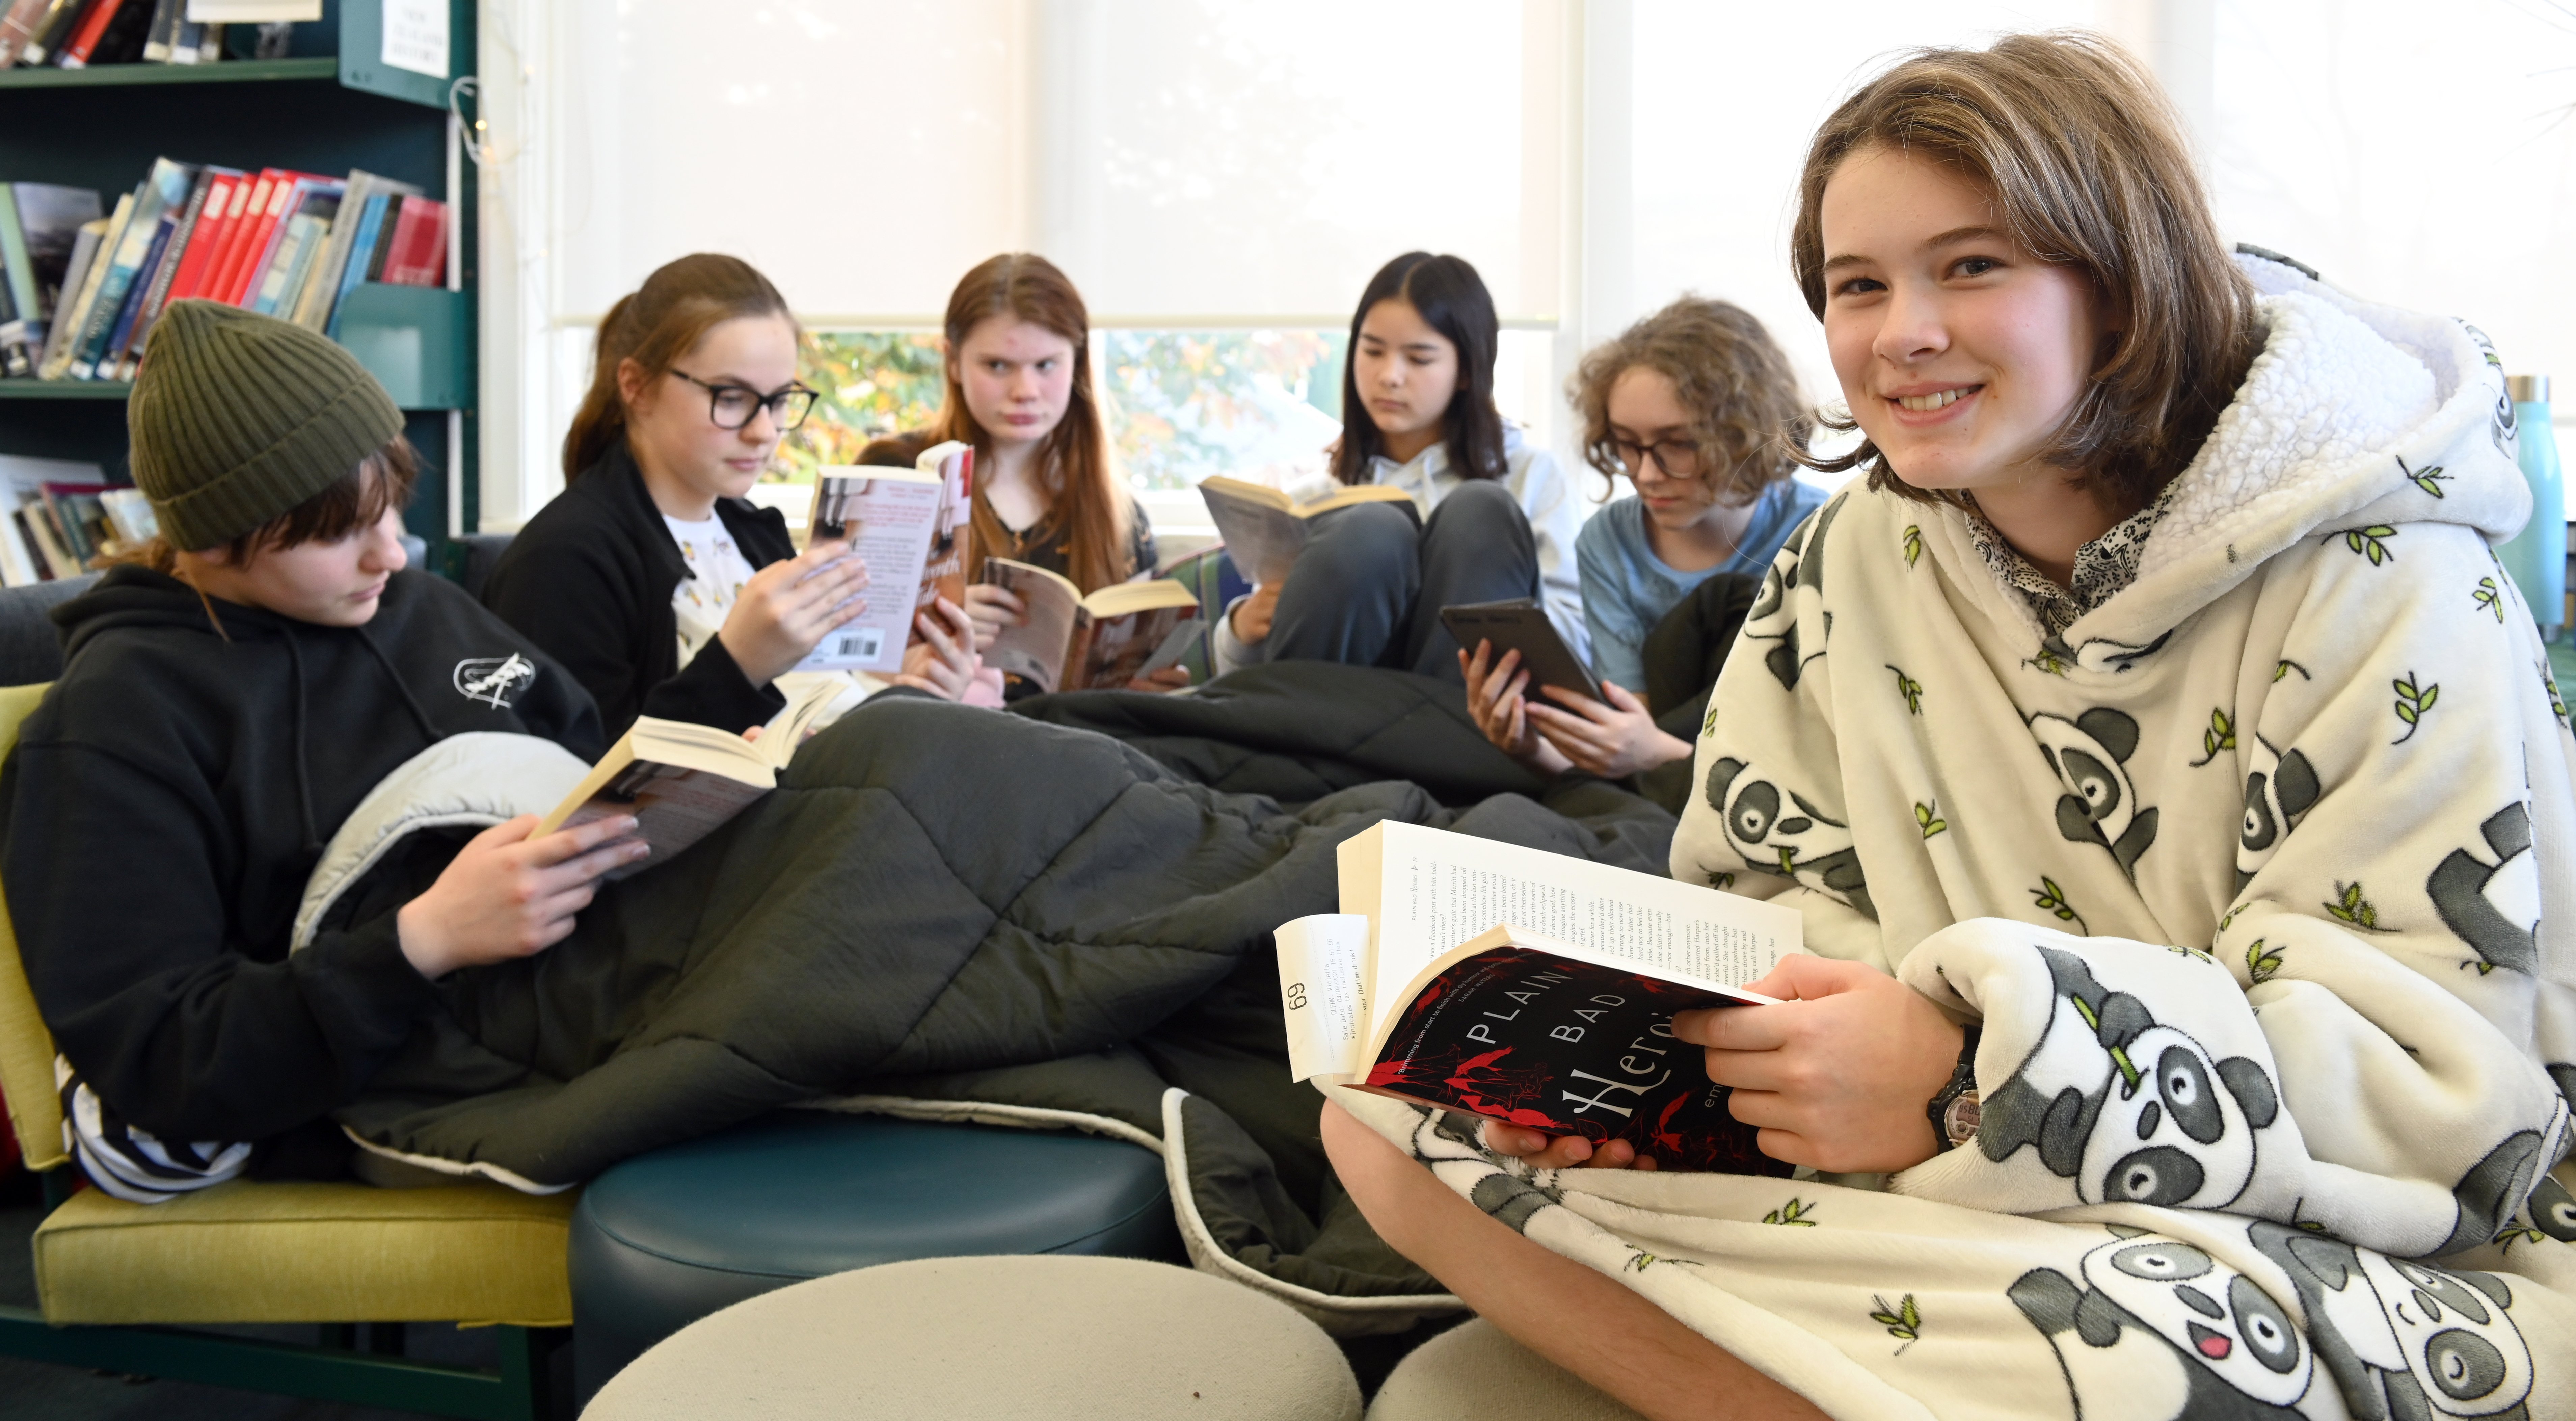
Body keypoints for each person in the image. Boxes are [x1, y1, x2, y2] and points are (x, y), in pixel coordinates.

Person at [1325, 32, 2576, 1421]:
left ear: (2122, 279)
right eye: (1858, 284)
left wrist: (1972, 1074)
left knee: (2129, 1351)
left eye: (1971, 265)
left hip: (2302, 1223)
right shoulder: (1849, 562)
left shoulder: (2393, 586)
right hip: (1903, 1187)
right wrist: (1669, 1085)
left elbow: (2428, 1086)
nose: (1899, 330)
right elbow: (1755, 900)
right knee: (1381, 1125)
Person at [0, 302, 639, 1195]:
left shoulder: (423, 609)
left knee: (876, 761)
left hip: (592, 973)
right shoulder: (118, 719)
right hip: (405, 1075)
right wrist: (428, 937)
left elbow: (591, 763)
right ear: (213, 537)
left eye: (393, 511)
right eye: (344, 531)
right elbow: (167, 1054)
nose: (395, 554)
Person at [482, 253, 978, 739]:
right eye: (733, 398)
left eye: (781, 399)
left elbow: (814, 709)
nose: (764, 431)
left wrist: (910, 687)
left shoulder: (753, 533)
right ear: (636, 386)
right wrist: (739, 663)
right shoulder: (565, 559)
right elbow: (587, 792)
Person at [1463, 297, 1825, 782]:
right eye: (1627, 444)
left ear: (1741, 434)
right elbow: (1630, 746)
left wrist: (1656, 754)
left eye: (1678, 444)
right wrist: (1529, 747)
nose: (1646, 474)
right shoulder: (1609, 543)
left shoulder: (1817, 529)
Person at [1212, 252, 1584, 685]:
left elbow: (1575, 642)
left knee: (1478, 511)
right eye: (1372, 351)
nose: (1390, 376)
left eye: (1420, 359)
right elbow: (1243, 673)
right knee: (1366, 530)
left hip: (1467, 716)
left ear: (1467, 370)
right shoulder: (1317, 495)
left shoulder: (1531, 476)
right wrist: (1240, 630)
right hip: (1332, 717)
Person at [942, 253, 1185, 696]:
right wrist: (937, 625)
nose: (1025, 392)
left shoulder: (1120, 516)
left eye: (1046, 366)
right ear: (954, 361)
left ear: (1077, 364)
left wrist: (1147, 687)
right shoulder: (900, 475)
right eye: (997, 366)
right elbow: (842, 646)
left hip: (1076, 750)